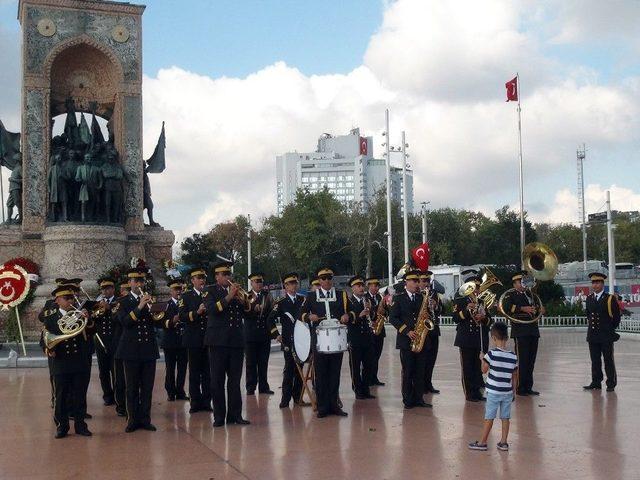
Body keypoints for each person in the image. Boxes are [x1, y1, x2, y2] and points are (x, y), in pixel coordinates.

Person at [300, 267, 352, 418]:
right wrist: (309, 317)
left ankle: (334, 405)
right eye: (324, 278)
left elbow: (352, 311)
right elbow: (301, 314)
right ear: (319, 280)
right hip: (320, 342)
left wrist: (347, 316)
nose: (327, 281)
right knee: (321, 374)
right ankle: (322, 407)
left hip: (337, 341)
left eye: (329, 278)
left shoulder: (341, 295)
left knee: (335, 374)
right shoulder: (311, 296)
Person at [42, 285, 92, 439]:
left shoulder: (79, 315)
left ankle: (80, 425)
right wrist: (49, 349)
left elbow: (90, 334)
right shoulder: (50, 319)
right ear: (58, 300)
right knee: (61, 396)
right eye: (67, 298)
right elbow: (44, 340)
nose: (71, 301)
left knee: (79, 395)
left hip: (78, 361)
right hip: (61, 363)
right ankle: (62, 426)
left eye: (71, 298)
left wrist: (88, 320)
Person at [205, 261, 251, 427]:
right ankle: (219, 417)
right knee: (217, 381)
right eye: (224, 274)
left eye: (228, 274)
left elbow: (247, 311)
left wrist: (245, 300)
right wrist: (229, 296)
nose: (227, 277)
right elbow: (211, 310)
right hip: (218, 342)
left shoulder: (237, 292)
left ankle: (235, 415)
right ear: (217, 277)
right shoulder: (210, 291)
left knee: (234, 381)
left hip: (236, 341)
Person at [114, 267, 160, 433]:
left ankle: (145, 419)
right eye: (136, 281)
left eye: (141, 281)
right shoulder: (122, 302)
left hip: (148, 348)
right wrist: (140, 306)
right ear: (129, 283)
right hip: (130, 350)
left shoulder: (149, 299)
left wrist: (156, 310)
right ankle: (132, 419)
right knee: (132, 387)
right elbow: (125, 322)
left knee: (147, 387)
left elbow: (157, 321)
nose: (139, 283)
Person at [468, 322, 518, 452]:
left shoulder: (490, 355)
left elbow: (483, 371)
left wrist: (481, 359)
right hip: (507, 392)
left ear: (493, 338)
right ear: (506, 338)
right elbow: (514, 376)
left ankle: (483, 442)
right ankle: (503, 442)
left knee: (489, 416)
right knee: (505, 417)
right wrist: (513, 392)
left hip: (493, 392)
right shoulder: (513, 356)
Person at [389, 270, 431, 409]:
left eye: (417, 281)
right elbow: (393, 318)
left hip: (420, 339)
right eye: (414, 281)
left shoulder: (421, 298)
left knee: (420, 371)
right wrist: (407, 331)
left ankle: (419, 398)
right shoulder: (398, 298)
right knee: (408, 371)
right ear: (406, 282)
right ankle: (407, 400)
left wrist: (431, 308)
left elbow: (426, 316)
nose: (417, 284)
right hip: (406, 341)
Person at [501, 271, 542, 396]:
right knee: (522, 361)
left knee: (531, 361)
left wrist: (540, 310)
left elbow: (537, 308)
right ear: (514, 284)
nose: (523, 284)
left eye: (523, 281)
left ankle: (528, 386)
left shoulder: (531, 294)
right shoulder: (511, 295)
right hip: (520, 331)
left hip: (533, 330)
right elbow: (506, 307)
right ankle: (520, 387)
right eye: (520, 282)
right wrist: (522, 308)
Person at [267, 272, 305, 408]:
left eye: (295, 283)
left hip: (301, 342)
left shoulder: (303, 300)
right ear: (285, 286)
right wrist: (276, 334)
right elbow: (270, 319)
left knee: (300, 370)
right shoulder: (281, 303)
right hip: (288, 341)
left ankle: (298, 397)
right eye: (290, 284)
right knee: (289, 370)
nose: (294, 286)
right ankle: (285, 398)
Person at [179, 267, 212, 413]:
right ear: (192, 280)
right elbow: (182, 316)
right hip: (193, 340)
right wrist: (196, 313)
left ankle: (206, 402)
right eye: (198, 278)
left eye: (203, 277)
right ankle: (195, 403)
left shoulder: (209, 295)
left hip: (208, 339)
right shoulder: (186, 297)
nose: (202, 280)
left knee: (207, 373)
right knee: (194, 373)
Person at [453, 273, 491, 402]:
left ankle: (478, 392)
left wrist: (483, 317)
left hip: (478, 338)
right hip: (465, 338)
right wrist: (466, 311)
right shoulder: (460, 300)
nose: (476, 290)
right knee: (467, 368)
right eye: (474, 287)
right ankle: (469, 394)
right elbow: (455, 318)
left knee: (477, 368)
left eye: (478, 287)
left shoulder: (482, 302)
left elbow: (489, 321)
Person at [583, 272, 621, 392]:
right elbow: (588, 315)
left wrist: (609, 330)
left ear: (602, 284)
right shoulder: (589, 298)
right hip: (593, 335)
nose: (595, 285)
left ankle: (611, 383)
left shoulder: (610, 299)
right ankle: (596, 382)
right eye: (593, 283)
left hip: (606, 335)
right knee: (595, 360)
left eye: (597, 282)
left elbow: (616, 318)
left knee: (608, 359)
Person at [244, 272, 275, 395]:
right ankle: (250, 387)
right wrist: (253, 309)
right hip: (250, 334)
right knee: (250, 363)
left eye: (261, 281)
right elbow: (244, 313)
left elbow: (272, 312)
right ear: (251, 283)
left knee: (263, 362)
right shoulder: (246, 295)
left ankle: (264, 387)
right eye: (256, 282)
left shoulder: (267, 295)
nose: (259, 284)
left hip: (264, 334)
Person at [347, 275, 376, 400]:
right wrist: (359, 316)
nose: (361, 288)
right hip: (355, 338)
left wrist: (371, 313)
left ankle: (366, 388)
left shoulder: (367, 300)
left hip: (367, 337)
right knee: (355, 365)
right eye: (358, 286)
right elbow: (347, 319)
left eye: (362, 285)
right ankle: (357, 389)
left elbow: (373, 316)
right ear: (352, 288)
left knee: (368, 364)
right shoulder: (348, 302)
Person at [160, 279, 188, 401]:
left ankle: (180, 391)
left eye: (180, 289)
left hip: (183, 341)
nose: (178, 292)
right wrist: (172, 321)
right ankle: (170, 392)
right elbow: (161, 322)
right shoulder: (166, 305)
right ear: (171, 291)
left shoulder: (185, 303)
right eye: (176, 290)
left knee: (182, 368)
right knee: (170, 368)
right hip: (170, 341)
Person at [93, 277, 118, 406]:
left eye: (108, 288)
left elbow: (119, 319)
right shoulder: (98, 303)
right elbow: (94, 320)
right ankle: (107, 395)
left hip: (115, 340)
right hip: (101, 341)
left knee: (115, 370)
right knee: (103, 371)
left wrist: (109, 308)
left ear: (113, 289)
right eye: (104, 289)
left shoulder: (118, 302)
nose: (106, 291)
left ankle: (117, 395)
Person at [420, 271, 442, 394]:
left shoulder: (434, 294)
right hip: (423, 330)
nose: (426, 283)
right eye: (424, 281)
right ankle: (421, 384)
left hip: (434, 330)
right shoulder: (418, 294)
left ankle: (428, 383)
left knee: (431, 359)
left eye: (428, 280)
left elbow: (441, 310)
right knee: (423, 359)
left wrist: (436, 306)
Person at [112, 281, 130, 417]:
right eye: (125, 289)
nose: (127, 292)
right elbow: (115, 319)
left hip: (134, 344)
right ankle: (121, 405)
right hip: (119, 343)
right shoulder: (120, 303)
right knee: (120, 377)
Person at [365, 277, 386, 386]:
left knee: (377, 355)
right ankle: (368, 378)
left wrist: (385, 310)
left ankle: (374, 377)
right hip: (370, 330)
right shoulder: (365, 297)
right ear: (369, 286)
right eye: (374, 285)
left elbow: (385, 311)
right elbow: (366, 312)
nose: (377, 288)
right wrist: (374, 309)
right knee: (370, 356)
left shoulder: (379, 297)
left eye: (378, 286)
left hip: (379, 330)